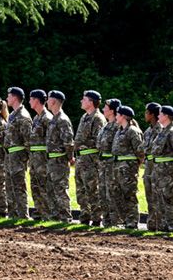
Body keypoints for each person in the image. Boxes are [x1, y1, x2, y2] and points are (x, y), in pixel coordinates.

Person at [74, 90, 106, 225]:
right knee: (81, 190)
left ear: (91, 102)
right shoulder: (84, 117)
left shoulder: (97, 118)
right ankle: (85, 216)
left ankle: (97, 218)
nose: (81, 101)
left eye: (84, 99)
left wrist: (80, 144)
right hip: (81, 159)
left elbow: (98, 141)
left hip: (91, 160)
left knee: (92, 189)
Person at [150, 105, 173, 232]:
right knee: (159, 199)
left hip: (168, 170)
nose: (158, 116)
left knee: (170, 198)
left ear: (166, 116)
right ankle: (163, 225)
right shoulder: (162, 131)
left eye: (160, 114)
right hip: (159, 169)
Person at [111, 106, 144, 228]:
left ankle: (132, 221)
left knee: (129, 194)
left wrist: (135, 166)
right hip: (118, 167)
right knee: (118, 194)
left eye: (118, 114)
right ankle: (125, 220)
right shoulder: (119, 130)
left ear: (124, 116)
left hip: (128, 168)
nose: (116, 117)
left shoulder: (133, 131)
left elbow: (140, 151)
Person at [45, 90, 74, 222]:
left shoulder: (62, 119)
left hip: (59, 159)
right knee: (51, 189)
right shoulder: (54, 119)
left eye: (49, 98)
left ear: (54, 101)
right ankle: (55, 215)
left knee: (60, 189)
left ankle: (65, 217)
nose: (46, 101)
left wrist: (70, 157)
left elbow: (68, 141)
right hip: (52, 159)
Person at [3, 87, 32, 219]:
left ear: (15, 98)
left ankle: (22, 215)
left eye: (9, 96)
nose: (7, 98)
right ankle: (13, 214)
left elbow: (27, 140)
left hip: (18, 156)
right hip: (10, 156)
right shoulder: (13, 115)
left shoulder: (23, 116)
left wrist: (24, 159)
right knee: (10, 186)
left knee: (19, 187)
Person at [97, 98, 121, 227]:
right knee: (103, 193)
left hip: (112, 165)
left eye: (105, 107)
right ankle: (106, 221)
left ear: (112, 110)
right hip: (103, 165)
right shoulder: (106, 125)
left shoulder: (118, 126)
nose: (103, 109)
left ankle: (115, 221)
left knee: (112, 193)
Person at [28, 89, 52, 220]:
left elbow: (51, 140)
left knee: (44, 186)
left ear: (37, 100)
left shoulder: (47, 118)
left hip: (43, 159)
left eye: (31, 99)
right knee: (35, 186)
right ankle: (39, 212)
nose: (29, 102)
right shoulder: (36, 118)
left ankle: (47, 213)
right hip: (35, 159)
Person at [142, 102, 162, 231]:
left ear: (152, 114)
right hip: (148, 164)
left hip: (157, 164)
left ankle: (159, 223)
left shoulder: (160, 129)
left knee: (157, 195)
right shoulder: (148, 131)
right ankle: (151, 224)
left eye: (146, 112)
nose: (145, 115)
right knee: (149, 195)